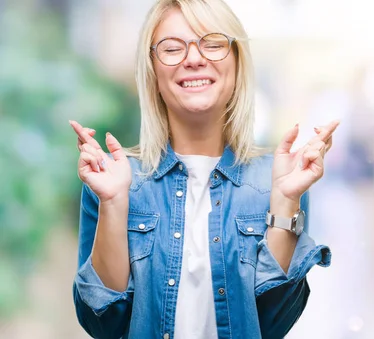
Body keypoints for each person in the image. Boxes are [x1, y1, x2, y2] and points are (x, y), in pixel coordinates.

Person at [69, 0, 338, 338]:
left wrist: (285, 199)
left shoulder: (279, 181)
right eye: (171, 48)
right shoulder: (115, 180)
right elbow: (103, 324)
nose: (194, 59)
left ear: (238, 62)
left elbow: (272, 324)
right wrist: (113, 202)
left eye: (213, 44)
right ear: (152, 69)